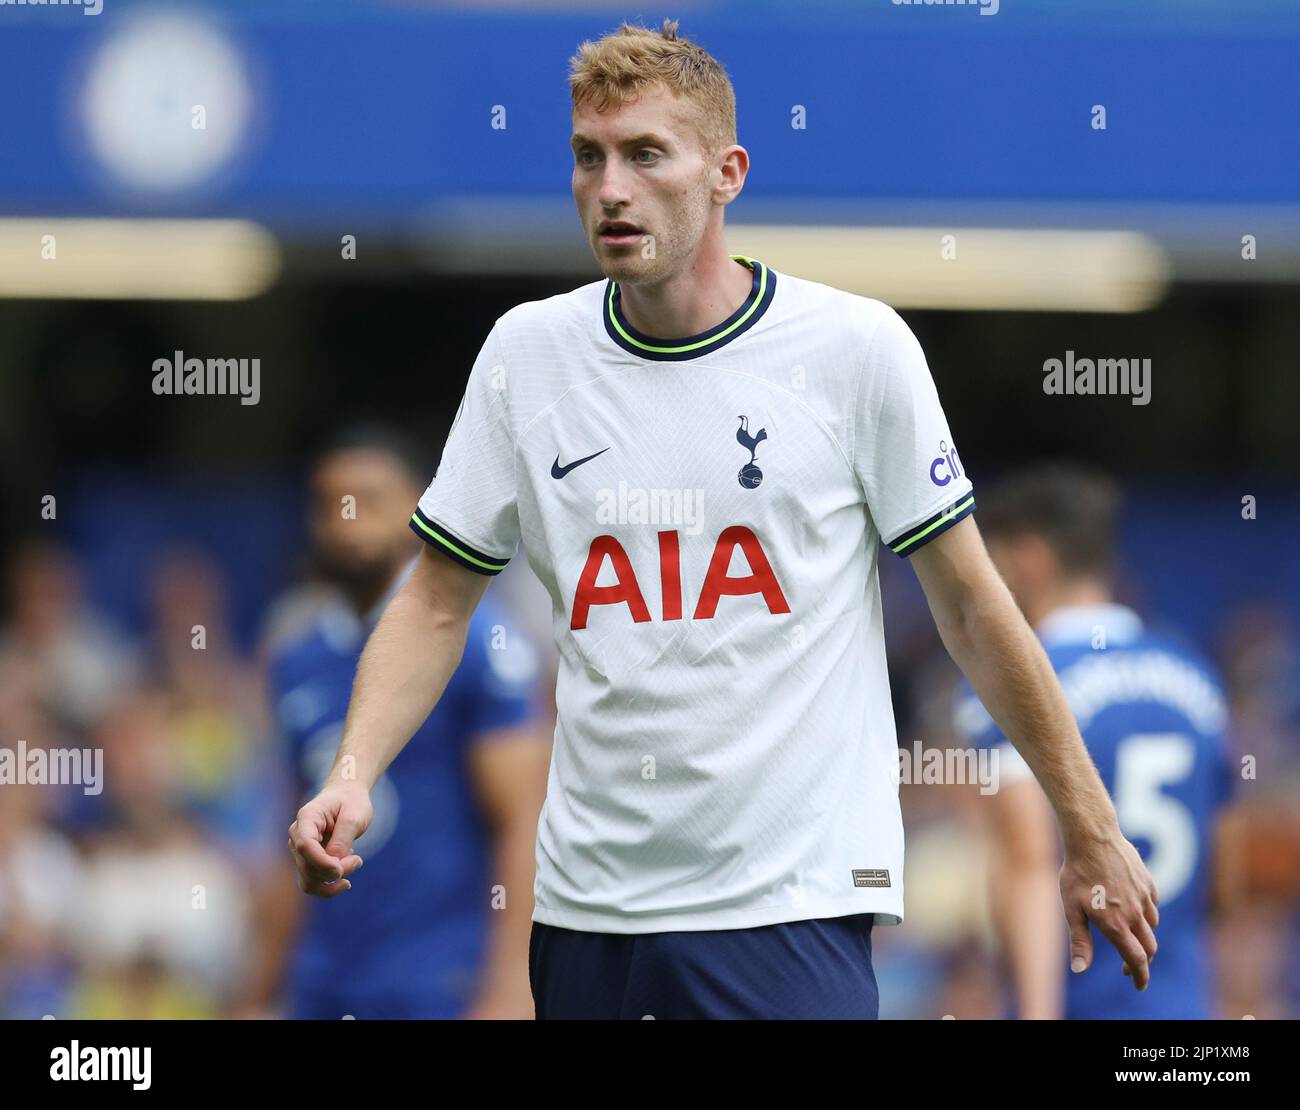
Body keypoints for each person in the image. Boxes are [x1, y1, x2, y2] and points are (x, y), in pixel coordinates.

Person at [289, 21, 1159, 1020]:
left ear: (725, 173)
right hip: (585, 917)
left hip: (785, 910)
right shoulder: (525, 356)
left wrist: (1086, 823)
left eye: (645, 154)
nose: (609, 187)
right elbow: (437, 600)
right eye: (588, 156)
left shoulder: (852, 350)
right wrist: (353, 772)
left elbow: (969, 606)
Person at [263, 428, 550, 1019]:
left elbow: (525, 819)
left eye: (369, 499)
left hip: (439, 977)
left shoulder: (477, 644)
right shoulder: (294, 658)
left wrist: (511, 986)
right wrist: (259, 985)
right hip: (323, 979)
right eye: (329, 503)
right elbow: (286, 831)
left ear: (421, 505)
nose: (346, 521)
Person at [955, 466, 1233, 1018]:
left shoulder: (1014, 685)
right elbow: (1225, 880)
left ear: (1029, 558)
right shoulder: (1198, 679)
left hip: (1077, 1003)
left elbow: (1027, 863)